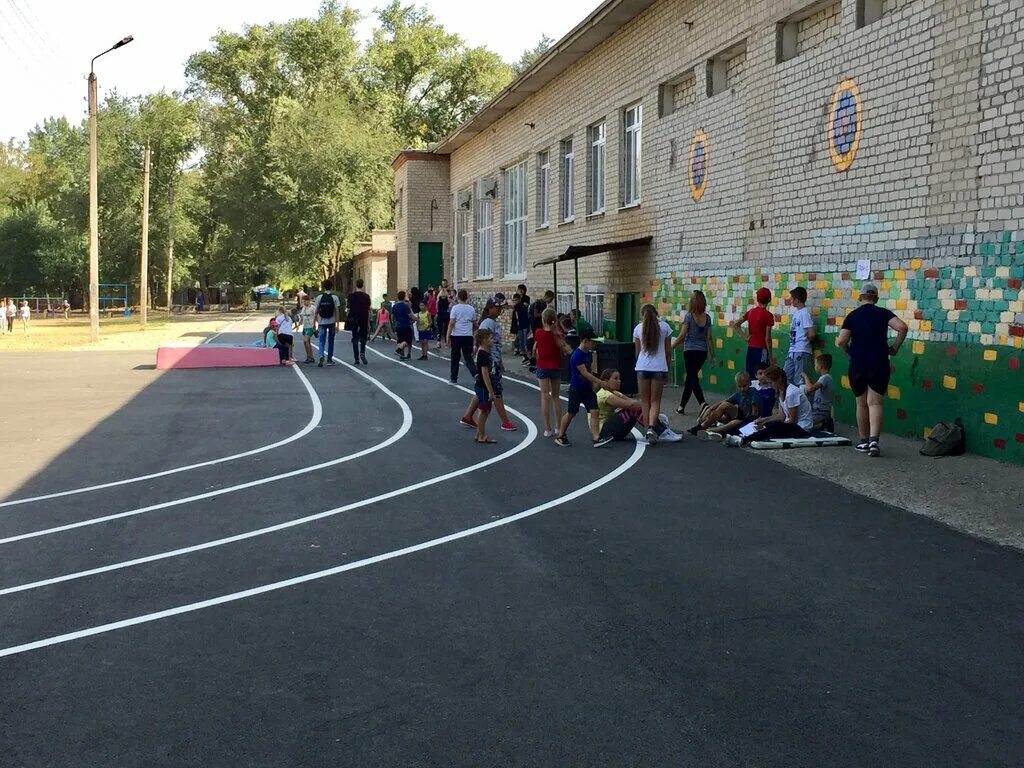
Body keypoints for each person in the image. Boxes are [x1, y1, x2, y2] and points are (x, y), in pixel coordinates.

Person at [837, 282, 908, 457]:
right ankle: (874, 440)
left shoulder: (852, 316)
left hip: (858, 363)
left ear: (860, 297)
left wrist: (849, 352)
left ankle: (863, 442)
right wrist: (895, 348)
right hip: (879, 361)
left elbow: (841, 341)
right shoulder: (883, 314)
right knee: (875, 402)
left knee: (861, 402)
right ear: (876, 298)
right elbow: (902, 327)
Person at [460, 298, 518, 432]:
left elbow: (496, 345)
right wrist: (479, 355)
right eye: (497, 308)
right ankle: (505, 421)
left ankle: (468, 416)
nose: (499, 310)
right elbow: (481, 340)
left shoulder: (492, 322)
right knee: (495, 391)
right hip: (490, 362)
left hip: (495, 360)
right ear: (490, 308)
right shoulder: (487, 323)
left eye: (500, 308)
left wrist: (500, 361)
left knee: (482, 392)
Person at [728, 366, 812, 447]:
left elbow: (793, 420)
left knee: (772, 427)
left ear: (779, 379)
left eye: (771, 383)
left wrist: (770, 425)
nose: (770, 385)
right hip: (791, 424)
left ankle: (744, 440)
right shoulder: (780, 391)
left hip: (801, 427)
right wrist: (765, 420)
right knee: (759, 423)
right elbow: (781, 416)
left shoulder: (791, 393)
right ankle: (733, 433)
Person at [594, 369, 682, 446]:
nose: (619, 381)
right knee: (632, 410)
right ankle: (661, 432)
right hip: (603, 432)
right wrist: (651, 410)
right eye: (615, 379)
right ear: (606, 381)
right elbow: (631, 405)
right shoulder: (604, 394)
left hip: (614, 430)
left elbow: (633, 402)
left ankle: (659, 429)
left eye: (619, 378)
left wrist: (652, 412)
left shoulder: (615, 393)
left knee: (636, 408)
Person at [554, 329, 606, 447]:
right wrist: (599, 382)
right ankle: (560, 435)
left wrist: (594, 383)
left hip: (587, 388)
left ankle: (596, 438)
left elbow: (590, 370)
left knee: (594, 410)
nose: (594, 344)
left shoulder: (588, 353)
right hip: (576, 388)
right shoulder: (577, 355)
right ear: (585, 341)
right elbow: (584, 373)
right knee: (571, 413)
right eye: (592, 342)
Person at [634, 303, 674, 445]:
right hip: (659, 368)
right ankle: (652, 427)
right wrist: (667, 369)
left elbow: (638, 352)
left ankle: (646, 431)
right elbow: (668, 351)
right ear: (656, 313)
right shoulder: (665, 327)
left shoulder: (638, 328)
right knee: (655, 401)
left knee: (645, 400)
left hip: (642, 367)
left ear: (642, 315)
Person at [672, 290, 715, 416]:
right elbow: (709, 337)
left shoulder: (689, 317)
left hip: (690, 351)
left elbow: (681, 336)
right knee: (691, 378)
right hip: (702, 352)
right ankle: (681, 407)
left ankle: (702, 403)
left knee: (692, 377)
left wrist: (670, 347)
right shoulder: (707, 318)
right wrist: (713, 355)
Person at [690, 371, 758, 439]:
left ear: (749, 383)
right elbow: (724, 402)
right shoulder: (739, 393)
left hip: (748, 419)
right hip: (740, 414)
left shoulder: (753, 392)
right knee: (724, 405)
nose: (742, 389)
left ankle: (710, 431)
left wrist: (744, 424)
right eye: (740, 386)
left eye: (744, 386)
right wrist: (710, 409)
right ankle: (702, 426)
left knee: (733, 423)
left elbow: (754, 414)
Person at [534, 307, 567, 437]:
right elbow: (563, 348)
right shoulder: (558, 335)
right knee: (556, 397)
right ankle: (558, 426)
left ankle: (547, 428)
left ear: (543, 320)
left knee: (544, 395)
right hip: (555, 366)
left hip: (542, 365)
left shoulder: (539, 333)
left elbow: (536, 345)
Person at [732, 287, 775, 378]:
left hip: (751, 349)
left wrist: (746, 337)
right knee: (762, 376)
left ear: (757, 299)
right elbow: (768, 338)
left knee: (750, 376)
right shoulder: (768, 316)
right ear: (769, 300)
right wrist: (770, 356)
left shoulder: (751, 312)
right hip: (762, 349)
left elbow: (736, 325)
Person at [471, 328, 498, 445]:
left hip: (483, 386)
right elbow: (485, 373)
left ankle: (479, 433)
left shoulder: (485, 352)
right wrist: (490, 391)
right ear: (484, 340)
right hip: (483, 387)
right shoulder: (483, 354)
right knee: (484, 410)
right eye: (491, 338)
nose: (493, 340)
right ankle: (481, 435)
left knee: (485, 410)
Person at [784, 286, 815, 388]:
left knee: (800, 380)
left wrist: (805, 343)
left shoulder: (805, 313)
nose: (791, 300)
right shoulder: (797, 313)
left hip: (801, 350)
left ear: (797, 300)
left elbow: (811, 333)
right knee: (785, 377)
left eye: (792, 298)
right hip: (792, 350)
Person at [447, 289, 478, 384]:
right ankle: (475, 374)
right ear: (466, 297)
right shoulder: (471, 309)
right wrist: (473, 335)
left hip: (456, 335)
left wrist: (448, 335)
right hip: (467, 335)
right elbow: (474, 324)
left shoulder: (455, 308)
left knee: (455, 357)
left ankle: (453, 378)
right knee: (468, 356)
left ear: (458, 297)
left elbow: (452, 323)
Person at [803, 353, 835, 432]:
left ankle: (825, 422)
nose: (815, 367)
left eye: (815, 365)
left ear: (821, 367)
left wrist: (805, 377)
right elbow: (812, 391)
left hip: (821, 412)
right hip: (817, 411)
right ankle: (821, 424)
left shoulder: (825, 378)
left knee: (804, 426)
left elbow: (810, 389)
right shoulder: (823, 378)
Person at [314, 279, 341, 367]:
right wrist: (337, 324)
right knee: (331, 340)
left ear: (324, 287)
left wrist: (314, 322)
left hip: (322, 322)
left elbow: (316, 311)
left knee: (321, 340)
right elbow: (337, 311)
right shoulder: (335, 298)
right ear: (332, 287)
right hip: (332, 321)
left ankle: (321, 355)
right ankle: (329, 359)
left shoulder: (319, 297)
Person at [347, 278, 371, 366]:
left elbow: (348, 308)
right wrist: (368, 322)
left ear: (356, 285)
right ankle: (362, 353)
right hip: (363, 318)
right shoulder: (366, 296)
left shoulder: (351, 296)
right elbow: (368, 310)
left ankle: (356, 358)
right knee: (363, 337)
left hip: (354, 318)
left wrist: (348, 318)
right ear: (363, 286)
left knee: (355, 338)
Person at [529, 290, 554, 371]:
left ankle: (535, 359)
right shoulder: (539, 303)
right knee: (537, 342)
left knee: (538, 342)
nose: (551, 301)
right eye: (551, 299)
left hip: (540, 324)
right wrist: (545, 315)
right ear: (548, 297)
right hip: (536, 325)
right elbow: (536, 314)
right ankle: (534, 359)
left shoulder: (544, 304)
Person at [391, 290, 414, 360]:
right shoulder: (405, 306)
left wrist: (395, 321)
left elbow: (392, 317)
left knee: (400, 340)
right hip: (406, 325)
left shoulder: (394, 306)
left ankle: (401, 354)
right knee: (408, 340)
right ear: (404, 297)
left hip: (398, 325)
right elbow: (410, 315)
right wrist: (417, 319)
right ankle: (398, 350)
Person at [511, 293, 530, 362]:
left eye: (516, 300)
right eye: (513, 300)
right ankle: (523, 353)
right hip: (520, 326)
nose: (514, 302)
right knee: (521, 339)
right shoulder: (517, 307)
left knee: (524, 340)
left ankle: (526, 354)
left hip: (524, 325)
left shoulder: (521, 306)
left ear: (519, 300)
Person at [298, 295, 316, 363]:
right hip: (305, 327)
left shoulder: (312, 308)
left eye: (305, 301)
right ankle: (309, 357)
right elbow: (302, 316)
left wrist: (316, 325)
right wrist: (300, 322)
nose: (304, 303)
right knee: (306, 342)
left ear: (308, 301)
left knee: (306, 340)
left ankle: (310, 357)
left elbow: (316, 316)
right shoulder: (304, 308)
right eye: (303, 302)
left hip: (310, 327)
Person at [435, 283, 451, 351]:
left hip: (441, 314)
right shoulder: (445, 299)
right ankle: (445, 342)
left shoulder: (440, 299)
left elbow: (437, 307)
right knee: (444, 328)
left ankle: (440, 342)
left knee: (441, 328)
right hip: (444, 314)